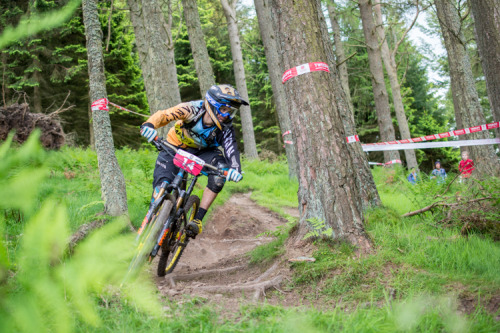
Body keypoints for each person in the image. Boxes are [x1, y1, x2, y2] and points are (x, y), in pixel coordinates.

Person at [140, 84, 247, 237]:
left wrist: (235, 170)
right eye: (224, 109)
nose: (227, 115)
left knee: (219, 177)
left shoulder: (226, 127)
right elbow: (164, 115)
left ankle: (197, 220)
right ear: (212, 104)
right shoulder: (192, 109)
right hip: (175, 145)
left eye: (230, 111)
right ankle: (151, 222)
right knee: (161, 186)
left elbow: (231, 149)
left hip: (203, 153)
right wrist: (148, 126)